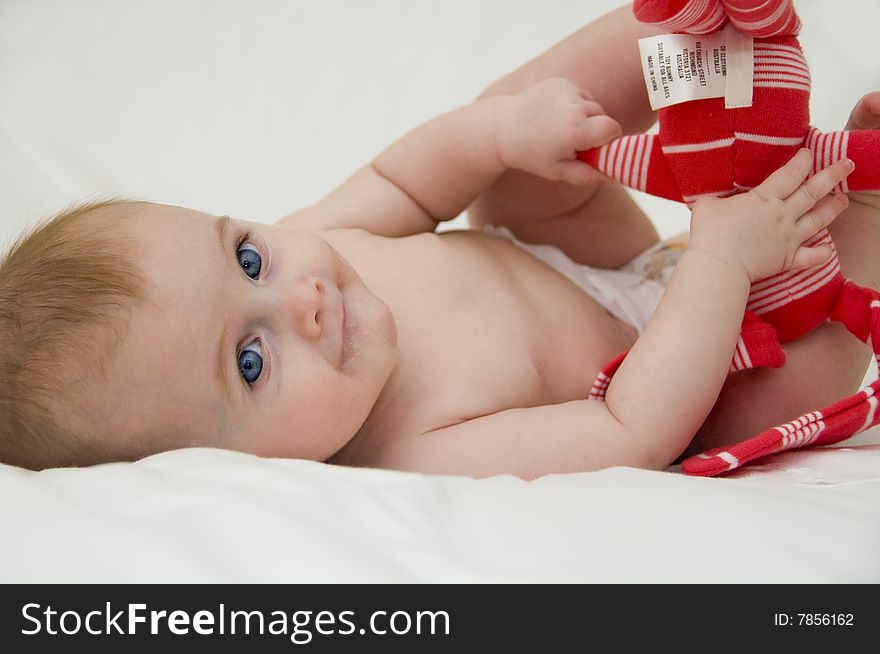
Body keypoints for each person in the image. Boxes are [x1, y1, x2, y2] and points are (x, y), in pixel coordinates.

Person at [0, 5, 876, 478]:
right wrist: (717, 265)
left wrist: (498, 139)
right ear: (226, 470)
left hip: (574, 244)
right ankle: (864, 207)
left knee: (515, 119)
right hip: (677, 354)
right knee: (780, 398)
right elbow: (630, 428)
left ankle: (683, 32)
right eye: (251, 362)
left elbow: (404, 184)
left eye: (247, 258)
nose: (299, 300)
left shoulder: (313, 243)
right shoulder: (417, 449)